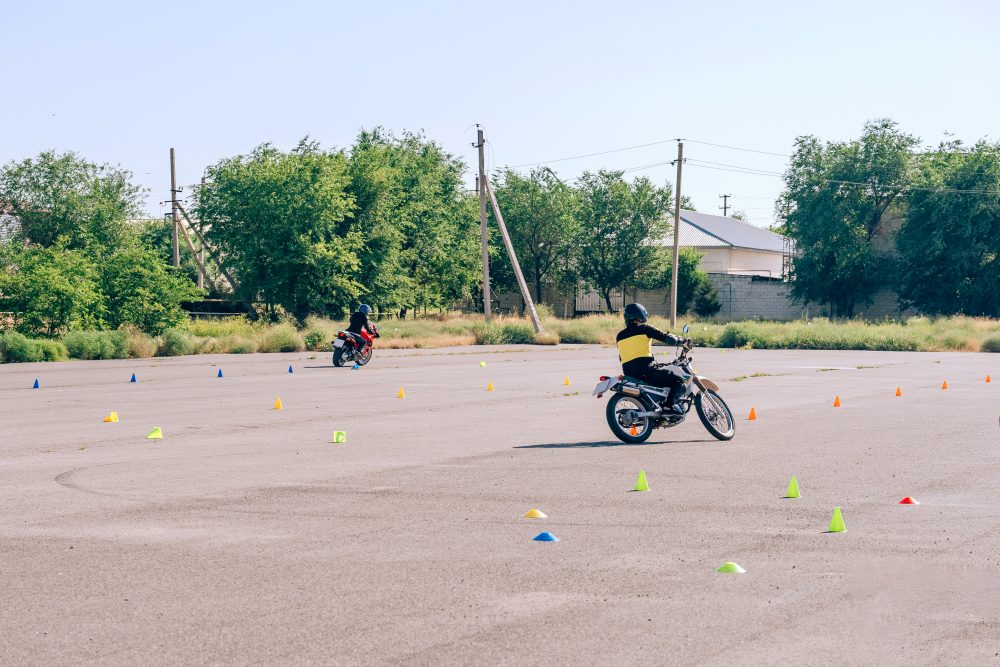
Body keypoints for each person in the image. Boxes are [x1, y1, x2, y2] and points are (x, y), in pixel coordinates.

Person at [616, 303, 689, 416]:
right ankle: (668, 407)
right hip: (646, 371)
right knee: (679, 382)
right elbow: (667, 338)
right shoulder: (645, 329)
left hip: (630, 375)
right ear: (641, 315)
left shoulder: (619, 336)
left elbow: (622, 357)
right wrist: (683, 341)